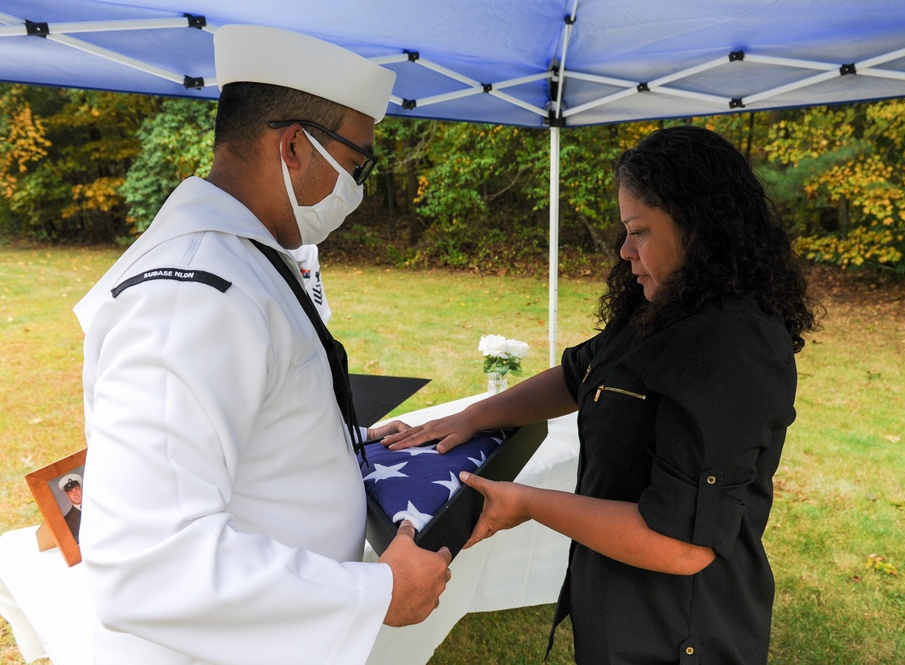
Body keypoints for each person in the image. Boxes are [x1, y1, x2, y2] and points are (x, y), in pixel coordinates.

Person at [73, 24, 451, 665]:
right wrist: (375, 595)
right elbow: (147, 565)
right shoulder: (188, 296)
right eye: (357, 166)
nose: (356, 189)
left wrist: (337, 442)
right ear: (297, 147)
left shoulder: (245, 256)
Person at [383, 126, 822, 664]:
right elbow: (579, 374)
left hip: (681, 631)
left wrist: (527, 503)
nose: (625, 250)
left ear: (702, 229)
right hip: (618, 606)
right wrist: (476, 415)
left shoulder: (731, 350)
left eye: (639, 232)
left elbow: (682, 545)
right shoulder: (665, 305)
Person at [57, 473, 83, 543]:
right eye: (71, 491)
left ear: (81, 490)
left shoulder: (95, 506)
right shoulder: (67, 521)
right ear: (67, 495)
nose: (75, 493)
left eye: (76, 489)